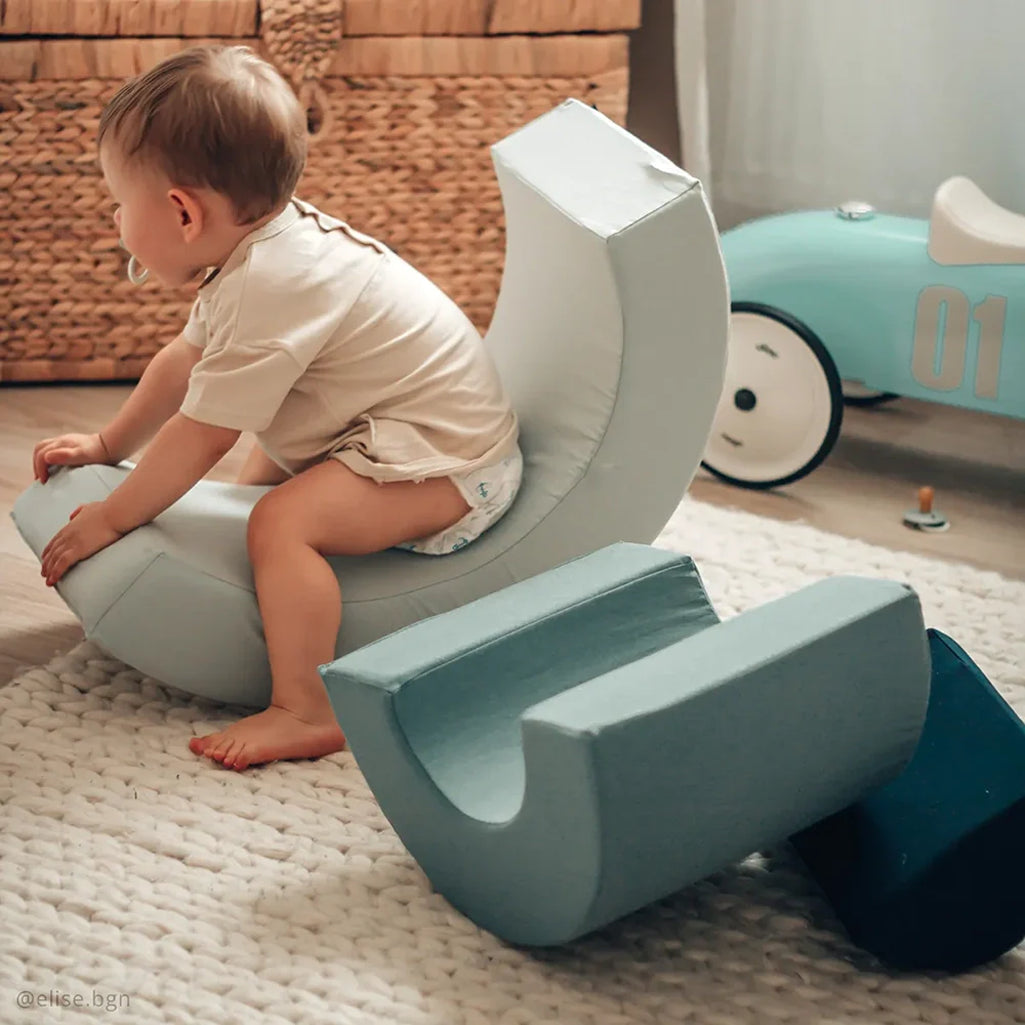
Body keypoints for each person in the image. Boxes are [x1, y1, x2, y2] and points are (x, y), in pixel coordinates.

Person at [32, 45, 522, 771]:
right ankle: (264, 579)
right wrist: (109, 444)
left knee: (280, 519)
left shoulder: (274, 285)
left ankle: (306, 706)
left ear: (182, 212)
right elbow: (182, 360)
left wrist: (112, 514)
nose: (114, 218)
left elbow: (202, 433)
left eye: (117, 201)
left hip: (449, 464)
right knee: (265, 469)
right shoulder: (255, 247)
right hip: (384, 428)